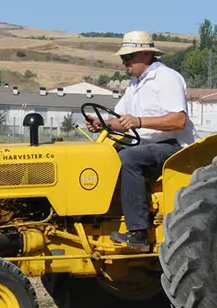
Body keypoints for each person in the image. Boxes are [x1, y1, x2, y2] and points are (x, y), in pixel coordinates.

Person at [84, 30, 196, 251]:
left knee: (129, 158)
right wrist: (103, 124)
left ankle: (138, 232)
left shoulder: (166, 78)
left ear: (145, 54)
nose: (124, 63)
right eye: (122, 58)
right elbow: (122, 121)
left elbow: (178, 120)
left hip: (175, 147)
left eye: (128, 57)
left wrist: (140, 121)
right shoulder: (135, 84)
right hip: (146, 143)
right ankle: (100, 216)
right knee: (100, 156)